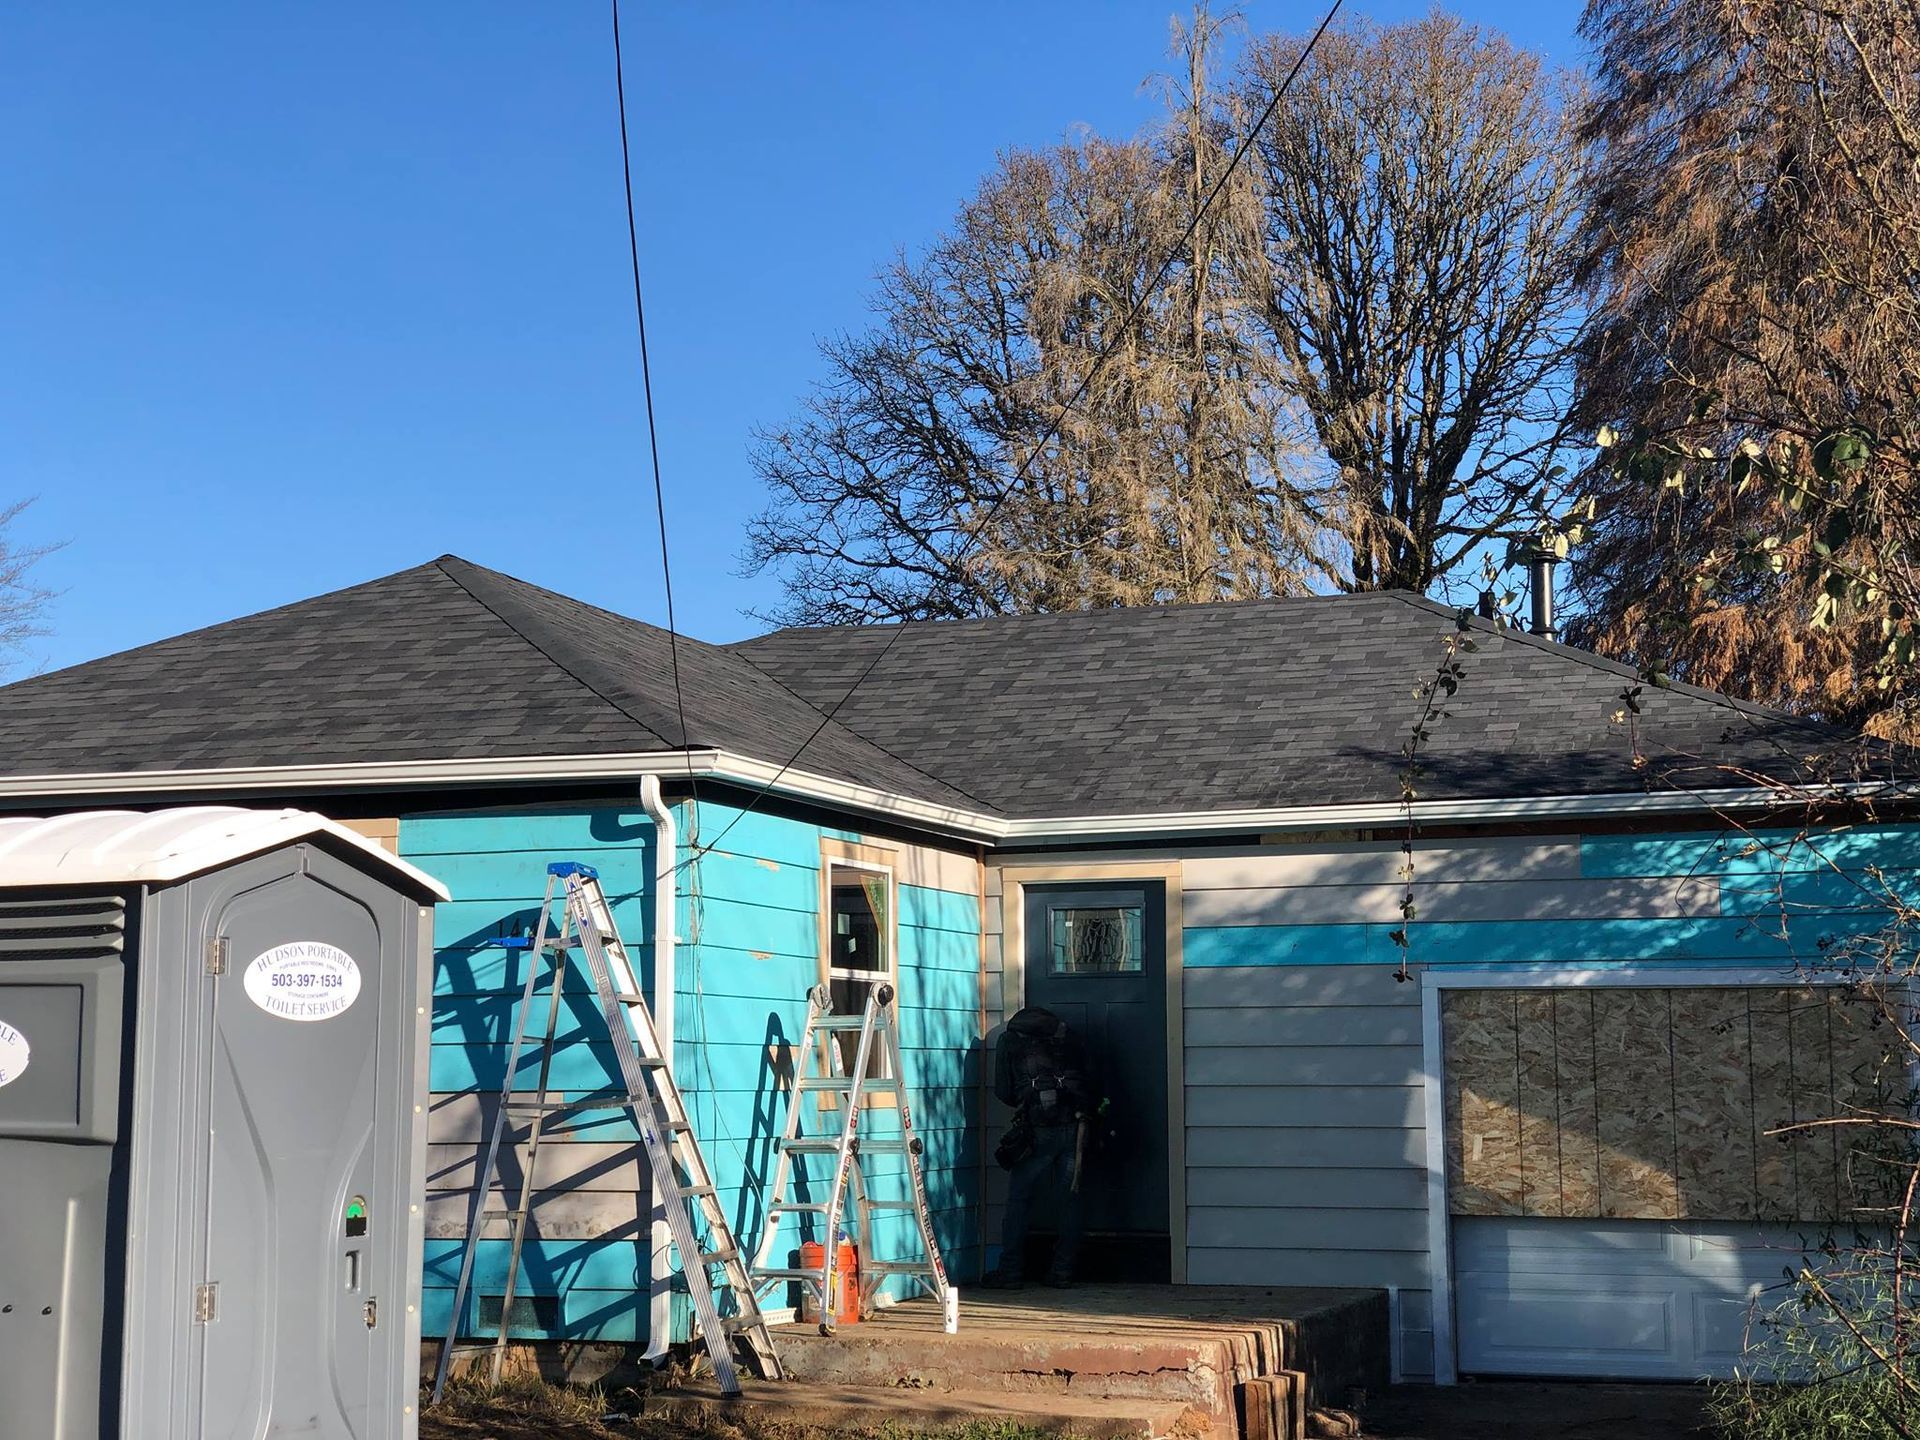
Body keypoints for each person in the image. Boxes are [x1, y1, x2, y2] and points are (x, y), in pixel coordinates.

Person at [983, 1005, 1097, 1289]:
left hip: (1035, 1130)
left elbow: (1003, 1091)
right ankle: (1062, 1272)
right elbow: (1091, 1078)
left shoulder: (1009, 1040)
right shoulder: (1069, 1035)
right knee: (1071, 1200)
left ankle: (1010, 1271)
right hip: (1074, 1127)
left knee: (1019, 1201)